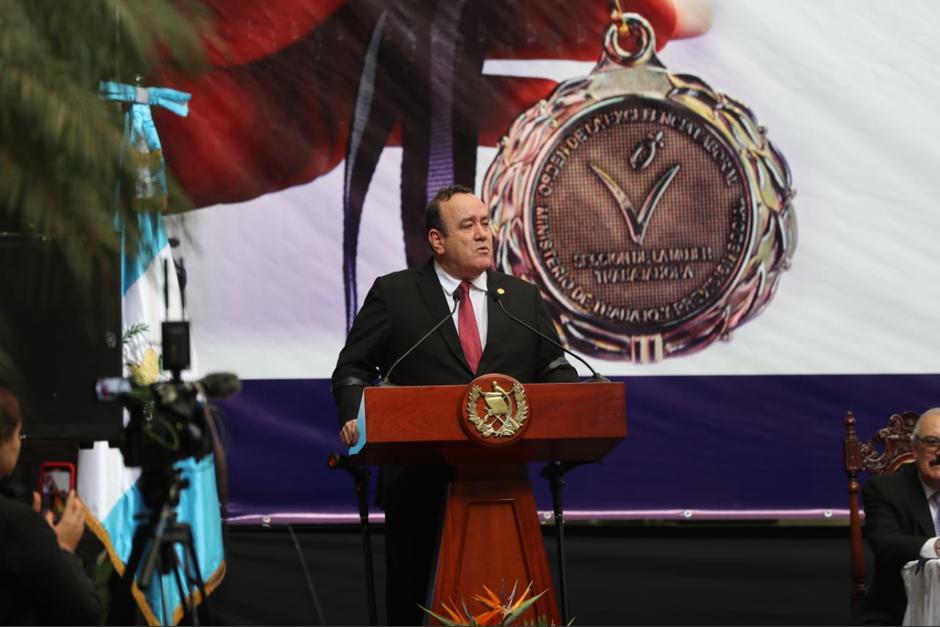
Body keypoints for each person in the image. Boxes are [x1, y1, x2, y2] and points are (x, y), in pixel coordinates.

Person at [331, 184, 579, 625]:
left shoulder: (521, 298)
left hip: (501, 481)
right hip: (417, 483)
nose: (483, 234)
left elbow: (555, 367)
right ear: (437, 240)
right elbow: (353, 369)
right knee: (415, 606)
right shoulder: (396, 294)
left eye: (485, 223)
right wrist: (355, 416)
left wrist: (566, 406)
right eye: (468, 226)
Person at [0, 388, 102, 625]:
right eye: (18, 434)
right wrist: (62, 547)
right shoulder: (18, 525)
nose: (19, 443)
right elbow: (85, 614)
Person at [861, 407, 940, 625]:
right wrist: (936, 547)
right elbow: (885, 543)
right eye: (932, 442)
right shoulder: (884, 490)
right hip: (900, 609)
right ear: (915, 449)